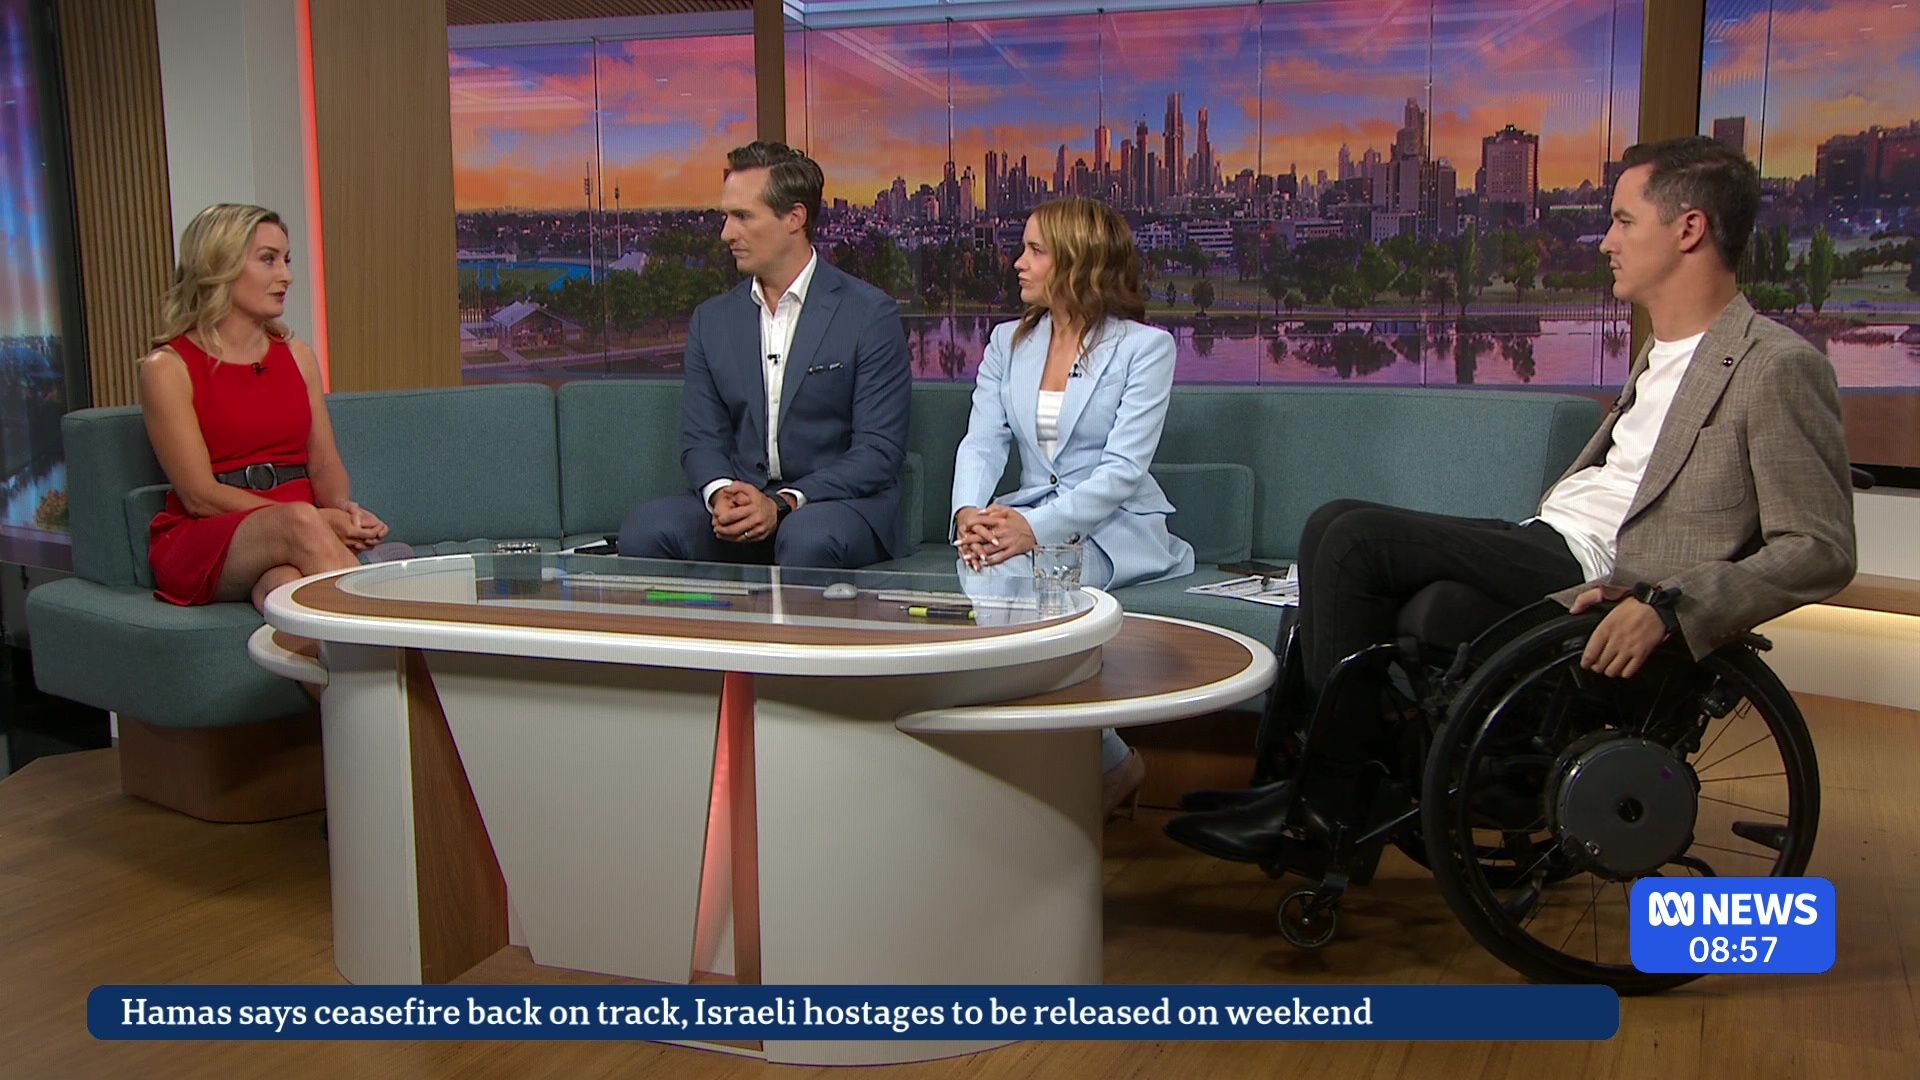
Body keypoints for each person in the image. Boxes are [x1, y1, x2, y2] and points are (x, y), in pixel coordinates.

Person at [1167, 135, 1857, 861]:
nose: (1606, 242)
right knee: (1378, 565)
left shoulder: (1775, 366)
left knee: (1347, 534)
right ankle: (1301, 788)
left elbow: (1820, 548)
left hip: (1598, 572)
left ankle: (1326, 810)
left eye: (1624, 221)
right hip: (1549, 539)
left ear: (1689, 229)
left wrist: (1671, 609)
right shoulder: (1662, 354)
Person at [951, 197, 1195, 819]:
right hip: (1028, 512)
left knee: (1016, 580)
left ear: (1077, 262)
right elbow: (982, 441)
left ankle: (1035, 777)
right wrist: (969, 515)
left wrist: (1032, 528)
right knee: (987, 564)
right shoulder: (1008, 342)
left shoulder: (1145, 349)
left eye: (1035, 251)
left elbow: (1122, 472)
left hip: (1112, 526)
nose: (1018, 262)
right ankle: (1105, 759)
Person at [618, 142, 912, 569]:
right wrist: (721, 493)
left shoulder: (868, 314)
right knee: (647, 530)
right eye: (726, 216)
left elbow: (878, 452)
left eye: (743, 216)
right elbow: (701, 440)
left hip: (834, 504)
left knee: (805, 538)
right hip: (745, 499)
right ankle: (708, 618)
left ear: (794, 218)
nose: (726, 233)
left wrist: (782, 502)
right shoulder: (712, 321)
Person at [141, 203, 389, 613]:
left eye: (286, 260)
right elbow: (199, 496)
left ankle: (365, 660)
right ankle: (405, 642)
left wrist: (344, 512)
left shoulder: (298, 356)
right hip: (210, 532)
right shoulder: (168, 367)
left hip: (301, 529)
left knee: (285, 590)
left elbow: (324, 464)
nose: (286, 276)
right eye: (268, 260)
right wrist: (314, 520)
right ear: (220, 265)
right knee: (298, 524)